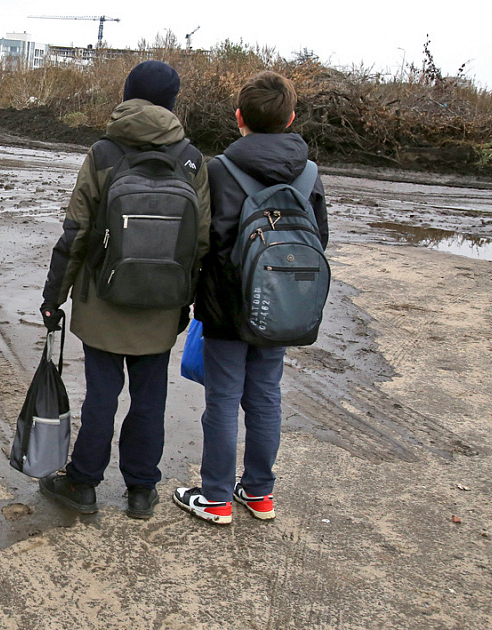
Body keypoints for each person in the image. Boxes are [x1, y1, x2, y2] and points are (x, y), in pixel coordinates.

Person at [39, 60, 210, 519]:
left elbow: (75, 233)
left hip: (102, 300)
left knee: (102, 393)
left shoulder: (103, 153)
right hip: (161, 304)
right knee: (151, 397)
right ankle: (140, 491)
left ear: (127, 93)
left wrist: (53, 297)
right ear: (173, 103)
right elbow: (201, 241)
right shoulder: (193, 160)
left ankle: (83, 483)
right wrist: (185, 301)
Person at [173, 71, 330, 524]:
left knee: (222, 400)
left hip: (226, 306)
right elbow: (320, 239)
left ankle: (217, 497)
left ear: (238, 117)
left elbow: (203, 241)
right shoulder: (310, 173)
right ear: (291, 118)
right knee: (265, 396)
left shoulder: (218, 169)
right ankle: (259, 493)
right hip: (281, 304)